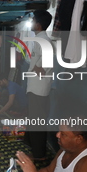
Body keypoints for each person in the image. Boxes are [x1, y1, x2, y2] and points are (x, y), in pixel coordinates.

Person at [23, 9, 53, 160]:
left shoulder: (45, 41)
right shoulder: (40, 40)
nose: (32, 23)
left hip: (39, 89)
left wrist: (35, 67)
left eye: (33, 20)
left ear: (39, 25)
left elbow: (42, 67)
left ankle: (39, 155)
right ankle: (34, 149)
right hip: (35, 87)